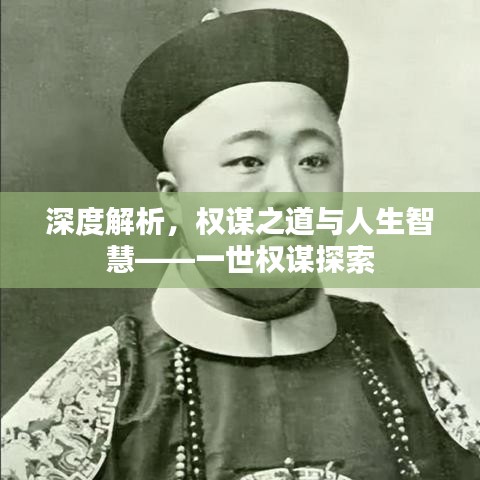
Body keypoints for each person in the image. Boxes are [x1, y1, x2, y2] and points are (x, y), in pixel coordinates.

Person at [2, 8, 480, 480]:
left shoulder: (388, 354)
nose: (289, 194)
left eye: (313, 161)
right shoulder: (113, 379)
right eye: (249, 161)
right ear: (174, 198)